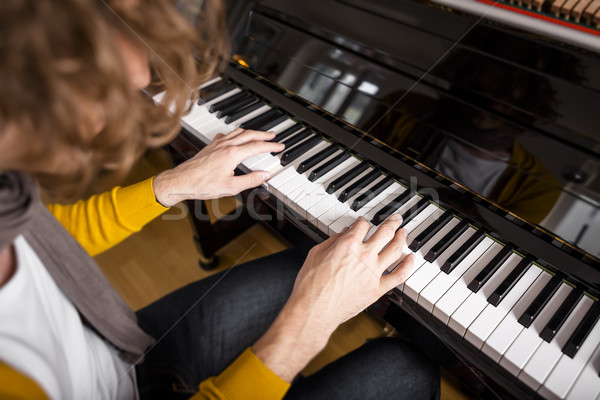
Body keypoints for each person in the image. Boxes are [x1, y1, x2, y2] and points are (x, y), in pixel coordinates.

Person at [0, 0, 440, 399]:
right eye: (100, 86)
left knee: (312, 257)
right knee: (406, 369)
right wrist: (309, 321)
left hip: (118, 349)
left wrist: (174, 184)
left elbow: (50, 238)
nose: (136, 89)